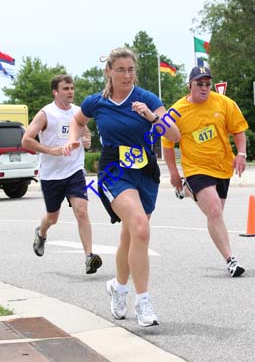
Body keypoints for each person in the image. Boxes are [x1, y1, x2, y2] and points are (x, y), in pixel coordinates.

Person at [63, 47, 180, 327]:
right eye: (121, 70)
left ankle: (118, 287)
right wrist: (76, 138)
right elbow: (78, 120)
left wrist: (152, 117)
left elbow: (174, 135)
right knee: (140, 226)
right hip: (115, 170)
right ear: (109, 72)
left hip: (145, 170)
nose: (127, 75)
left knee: (130, 236)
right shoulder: (96, 102)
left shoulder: (147, 98)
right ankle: (143, 302)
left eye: (131, 70)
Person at [162, 66, 248, 278]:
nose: (204, 88)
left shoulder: (223, 103)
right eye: (199, 84)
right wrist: (174, 173)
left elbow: (238, 130)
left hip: (222, 167)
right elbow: (167, 145)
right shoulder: (177, 111)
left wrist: (242, 154)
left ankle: (187, 190)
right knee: (214, 210)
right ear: (189, 85)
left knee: (215, 213)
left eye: (207, 84)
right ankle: (230, 260)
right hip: (196, 168)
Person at [22, 74, 102, 275]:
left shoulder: (78, 112)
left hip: (74, 171)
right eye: (66, 89)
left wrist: (86, 141)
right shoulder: (46, 114)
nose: (71, 92)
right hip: (51, 175)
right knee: (52, 217)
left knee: (81, 211)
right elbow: (26, 140)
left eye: (72, 88)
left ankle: (89, 257)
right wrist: (52, 150)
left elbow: (86, 133)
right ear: (55, 92)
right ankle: (41, 234)